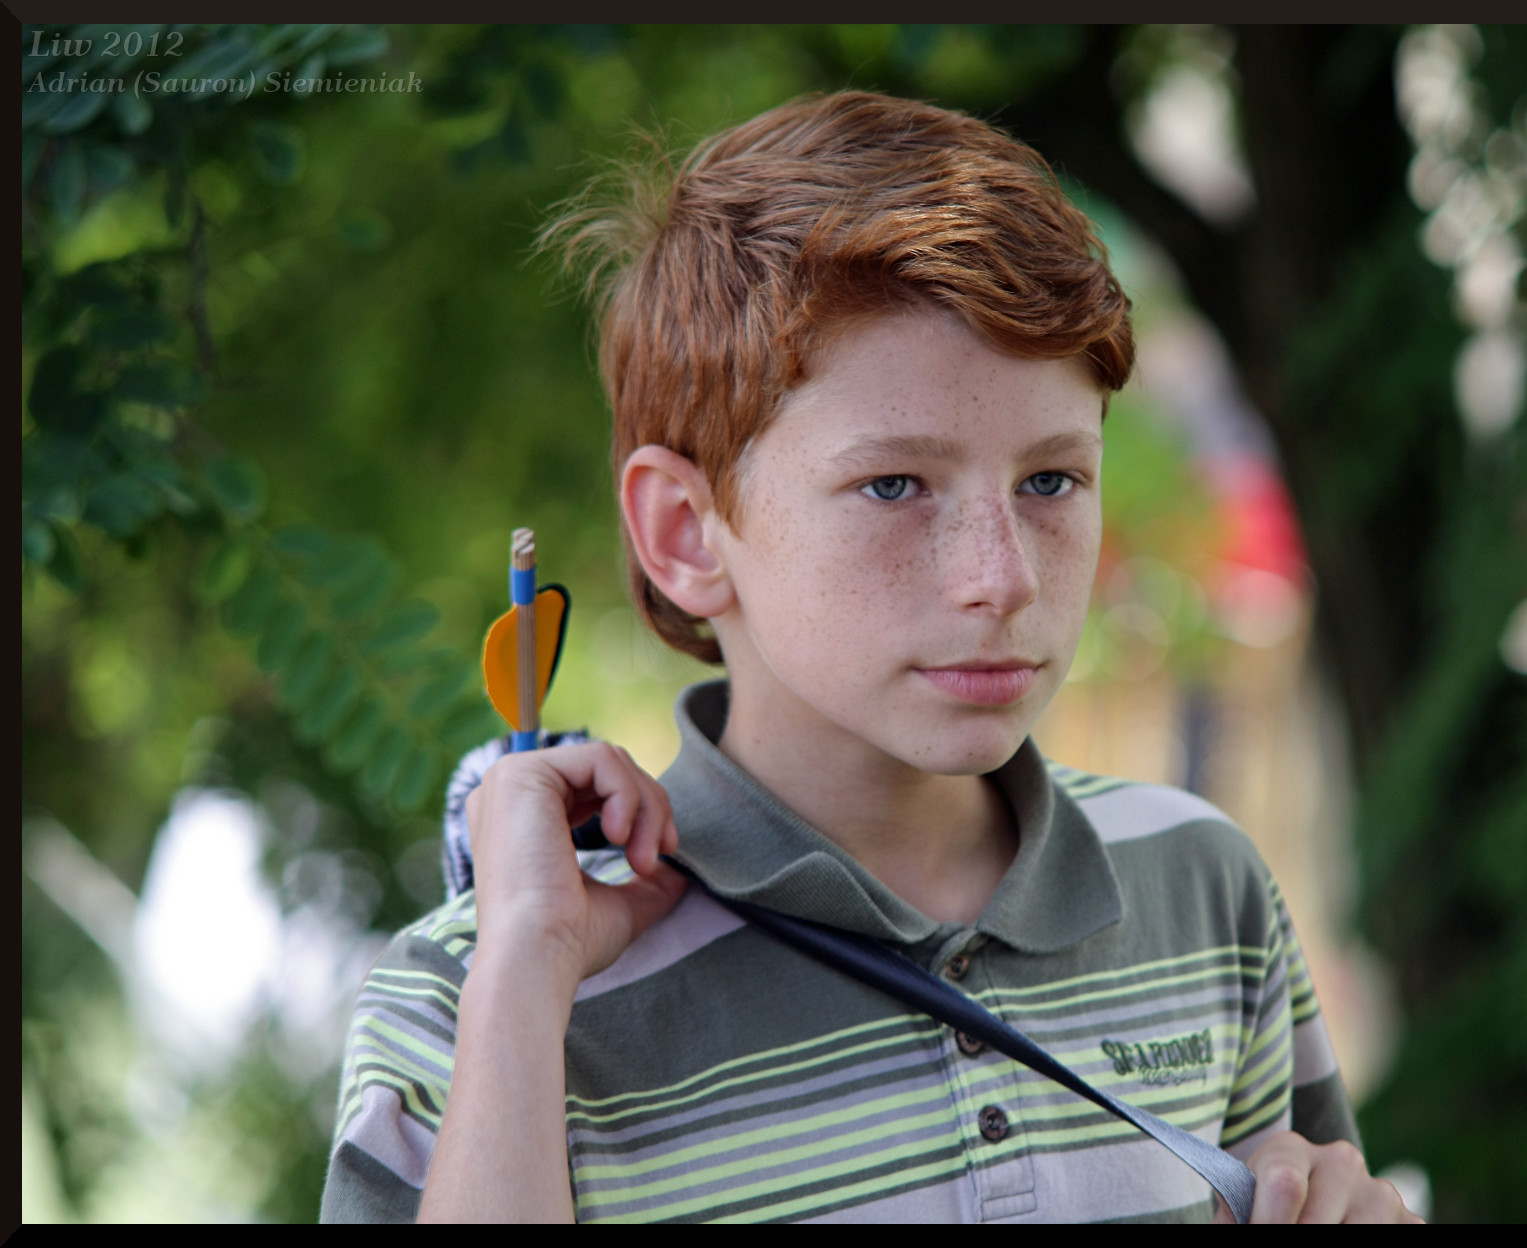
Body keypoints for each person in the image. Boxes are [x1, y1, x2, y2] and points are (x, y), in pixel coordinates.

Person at [320, 90, 1420, 1224]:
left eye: (1050, 480)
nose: (1000, 577)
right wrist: (524, 978)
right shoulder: (477, 997)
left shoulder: (1200, 886)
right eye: (894, 485)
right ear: (686, 534)